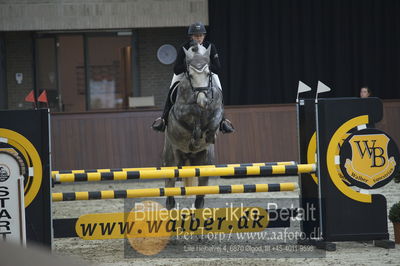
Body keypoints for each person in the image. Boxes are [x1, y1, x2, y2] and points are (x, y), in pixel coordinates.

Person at [152, 22, 234, 133]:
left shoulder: (210, 47)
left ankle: (223, 121)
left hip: (206, 73)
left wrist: (204, 66)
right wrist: (189, 67)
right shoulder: (184, 47)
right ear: (191, 36)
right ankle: (163, 119)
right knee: (172, 88)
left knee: (219, 89)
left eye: (201, 35)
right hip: (187, 74)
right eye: (196, 36)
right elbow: (176, 69)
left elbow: (217, 68)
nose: (198, 38)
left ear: (204, 36)